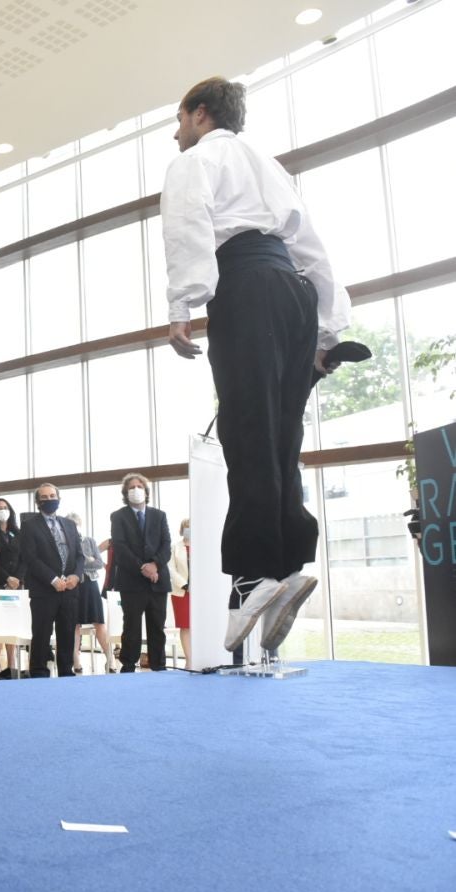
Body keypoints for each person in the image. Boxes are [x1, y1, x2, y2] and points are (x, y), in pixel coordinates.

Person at [163, 76, 340, 653]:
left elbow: (188, 222)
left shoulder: (200, 159)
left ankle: (253, 578)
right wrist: (327, 327)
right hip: (294, 293)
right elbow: (311, 244)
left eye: (179, 120)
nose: (175, 132)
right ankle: (286, 563)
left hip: (245, 283)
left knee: (245, 430)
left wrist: (183, 303)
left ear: (200, 114)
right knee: (282, 435)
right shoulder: (268, 165)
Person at [18, 483, 83, 679]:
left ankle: (66, 671)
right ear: (38, 502)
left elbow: (79, 555)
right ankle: (39, 673)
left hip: (69, 590)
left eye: (52, 496)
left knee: (67, 633)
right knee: (42, 634)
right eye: (44, 497)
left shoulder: (70, 525)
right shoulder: (29, 526)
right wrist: (53, 579)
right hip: (44, 590)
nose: (49, 500)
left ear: (59, 498)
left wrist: (76, 576)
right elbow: (30, 558)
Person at [109, 473, 172, 673]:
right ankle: (128, 665)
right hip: (131, 581)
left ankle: (158, 665)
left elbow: (166, 545)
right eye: (131, 487)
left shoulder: (159, 515)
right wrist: (142, 568)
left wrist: (155, 565)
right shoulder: (118, 516)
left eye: (139, 486)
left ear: (146, 491)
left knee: (157, 627)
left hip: (158, 580)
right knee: (132, 627)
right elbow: (120, 547)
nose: (136, 490)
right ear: (126, 493)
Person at [69, 512, 115, 674]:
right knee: (74, 624)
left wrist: (85, 561)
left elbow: (98, 563)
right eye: (69, 524)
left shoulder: (88, 540)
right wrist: (84, 563)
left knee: (99, 622)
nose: (73, 527)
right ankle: (76, 660)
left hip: (90, 585)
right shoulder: (64, 543)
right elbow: (67, 567)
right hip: (73, 585)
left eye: (75, 524)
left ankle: (110, 659)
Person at [0, 498, 25, 679]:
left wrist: (17, 578)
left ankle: (12, 663)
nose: (2, 511)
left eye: (5, 508)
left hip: (16, 586)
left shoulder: (18, 533)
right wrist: (6, 578)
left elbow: (25, 558)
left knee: (12, 625)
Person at [170, 517, 192, 665]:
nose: (189, 530)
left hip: (200, 593)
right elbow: (170, 568)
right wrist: (185, 585)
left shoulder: (203, 546)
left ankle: (201, 656)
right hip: (181, 592)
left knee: (199, 625)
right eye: (186, 527)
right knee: (185, 626)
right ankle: (189, 659)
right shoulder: (175, 547)